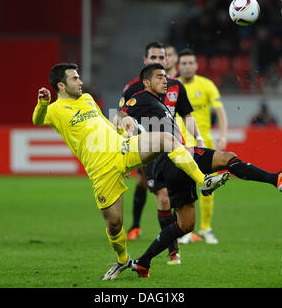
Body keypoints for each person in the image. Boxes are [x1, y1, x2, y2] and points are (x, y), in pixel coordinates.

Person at [32, 63, 222, 280]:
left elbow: (102, 123)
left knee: (167, 140)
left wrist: (121, 127)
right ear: (61, 85)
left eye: (79, 77)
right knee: (114, 224)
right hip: (101, 170)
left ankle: (204, 180)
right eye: (75, 78)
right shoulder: (54, 111)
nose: (81, 82)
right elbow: (37, 120)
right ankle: (122, 260)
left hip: (122, 148)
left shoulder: (86, 99)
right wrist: (42, 103)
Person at [116, 63, 282, 278]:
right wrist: (124, 123)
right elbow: (120, 116)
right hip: (173, 157)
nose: (165, 80)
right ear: (147, 82)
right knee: (227, 158)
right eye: (159, 77)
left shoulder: (160, 104)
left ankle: (143, 263)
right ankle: (276, 179)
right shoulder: (140, 97)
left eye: (165, 76)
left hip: (173, 163)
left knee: (185, 224)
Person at [121, 41, 205, 264]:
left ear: (167, 61)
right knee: (163, 198)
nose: (158, 61)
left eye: (161, 58)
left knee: (179, 199)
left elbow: (186, 115)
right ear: (145, 60)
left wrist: (198, 138)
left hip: (177, 149)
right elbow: (121, 117)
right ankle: (172, 250)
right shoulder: (132, 89)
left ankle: (181, 233)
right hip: (150, 152)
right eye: (154, 58)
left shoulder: (176, 86)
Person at [176, 48, 229, 244]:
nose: (188, 66)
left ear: (196, 65)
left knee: (209, 185)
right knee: (183, 187)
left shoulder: (207, 85)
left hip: (204, 140)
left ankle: (206, 228)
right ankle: (185, 230)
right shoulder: (173, 86)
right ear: (178, 66)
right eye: (184, 63)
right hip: (181, 142)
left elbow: (220, 112)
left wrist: (222, 135)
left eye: (191, 63)